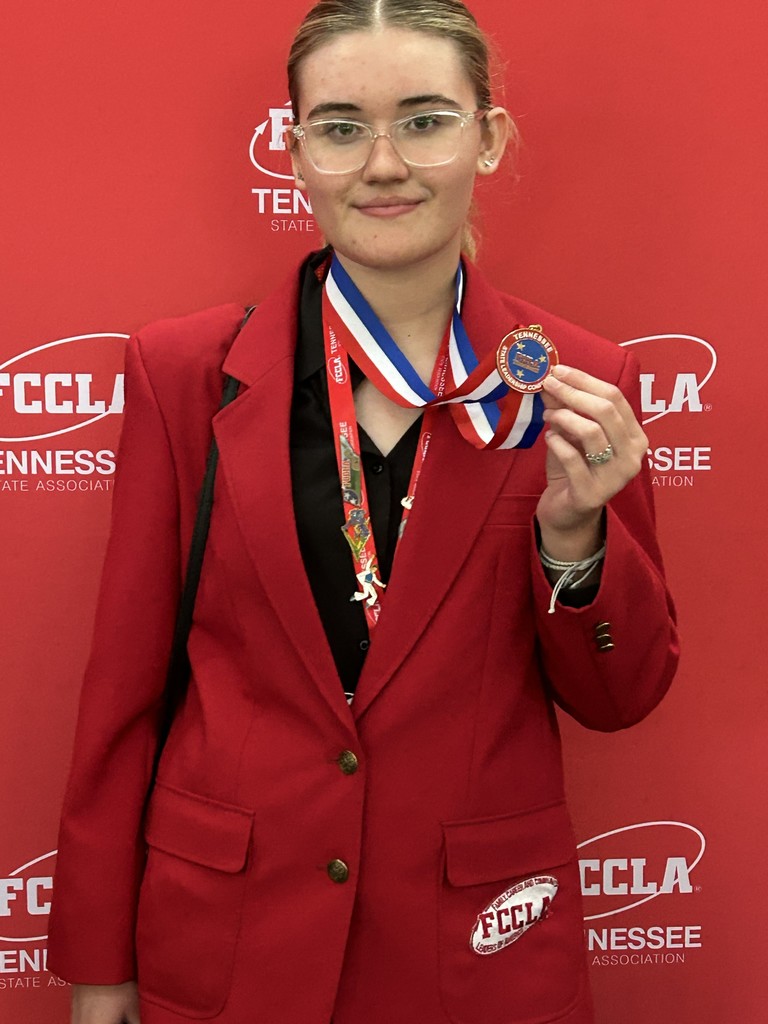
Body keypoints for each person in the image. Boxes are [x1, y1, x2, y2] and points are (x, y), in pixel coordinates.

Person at [47, 1, 679, 1022]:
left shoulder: (572, 384)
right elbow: (122, 698)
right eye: (342, 127)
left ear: (490, 135)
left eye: (426, 119)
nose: (383, 162)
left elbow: (624, 692)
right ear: (295, 152)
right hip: (229, 943)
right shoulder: (185, 375)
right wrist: (96, 962)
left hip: (477, 959)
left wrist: (576, 539)